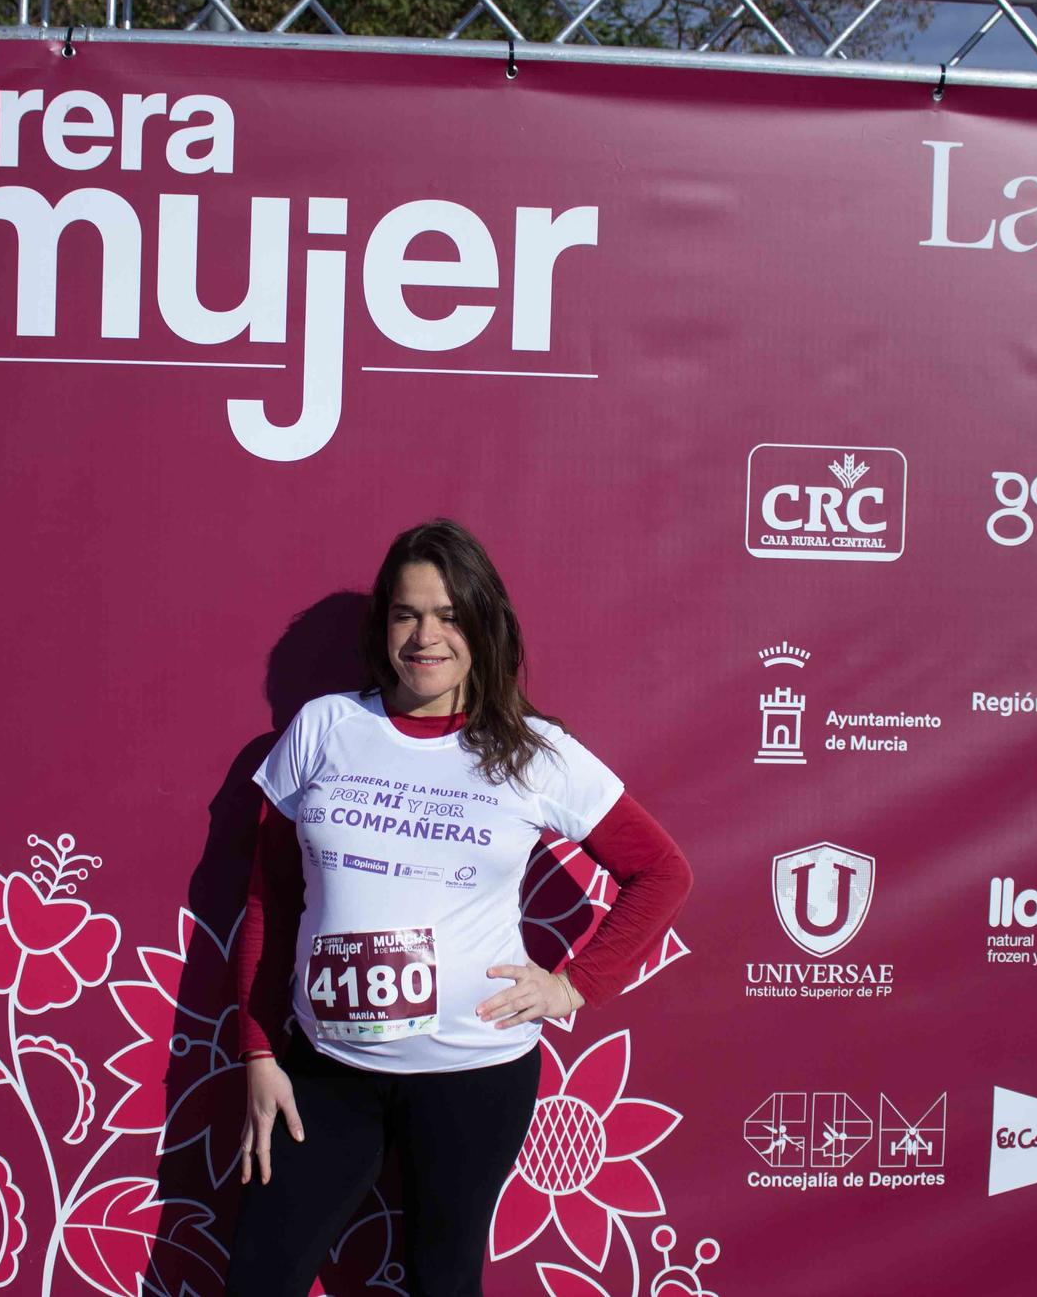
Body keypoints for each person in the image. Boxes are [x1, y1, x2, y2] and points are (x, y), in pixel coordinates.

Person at [225, 518, 693, 1297]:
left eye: (448, 614)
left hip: (473, 1076)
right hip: (328, 1071)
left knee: (444, 1282)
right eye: (407, 613)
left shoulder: (536, 753)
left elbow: (662, 871)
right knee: (258, 1279)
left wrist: (574, 985)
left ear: (484, 622)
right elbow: (269, 897)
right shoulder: (326, 728)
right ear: (383, 627)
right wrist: (258, 1049)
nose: (424, 636)